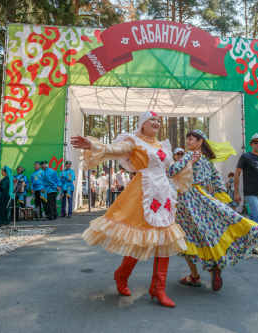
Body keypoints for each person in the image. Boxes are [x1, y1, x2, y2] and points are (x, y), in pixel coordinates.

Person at [72, 110, 187, 308]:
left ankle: (158, 289)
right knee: (140, 238)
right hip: (143, 192)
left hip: (163, 193)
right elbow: (116, 150)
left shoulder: (161, 145)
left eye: (159, 120)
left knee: (164, 239)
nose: (157, 122)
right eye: (152, 119)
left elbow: (170, 168)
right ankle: (121, 275)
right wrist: (93, 145)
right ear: (143, 123)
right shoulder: (133, 141)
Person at [168, 130, 258, 291]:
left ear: (200, 142)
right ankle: (213, 270)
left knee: (186, 239)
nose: (187, 141)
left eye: (190, 139)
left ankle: (194, 275)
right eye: (187, 138)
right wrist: (221, 202)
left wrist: (189, 162)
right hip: (204, 198)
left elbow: (171, 171)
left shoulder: (189, 155)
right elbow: (218, 181)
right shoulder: (207, 160)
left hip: (187, 200)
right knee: (207, 236)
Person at [234, 133, 258, 261]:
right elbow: (237, 174)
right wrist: (236, 193)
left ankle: (249, 246)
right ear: (251, 144)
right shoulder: (246, 157)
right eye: (255, 142)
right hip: (250, 193)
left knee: (254, 220)